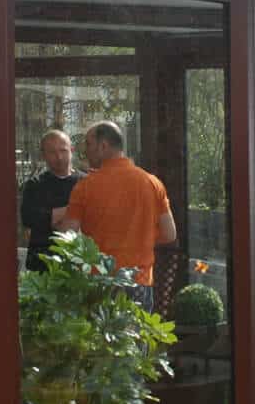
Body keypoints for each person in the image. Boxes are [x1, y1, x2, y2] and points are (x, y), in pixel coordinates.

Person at [53, 120, 177, 305]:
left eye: (88, 144)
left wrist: (52, 221)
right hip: (140, 282)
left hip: (100, 282)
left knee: (101, 334)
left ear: (103, 146)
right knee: (138, 333)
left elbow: (67, 236)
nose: (85, 151)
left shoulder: (86, 187)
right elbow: (169, 234)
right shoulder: (152, 183)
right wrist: (138, 238)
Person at [19, 129, 83, 272]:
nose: (59, 157)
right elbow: (29, 218)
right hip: (43, 264)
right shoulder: (35, 185)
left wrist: (54, 216)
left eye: (63, 150)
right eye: (52, 152)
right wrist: (73, 210)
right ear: (43, 155)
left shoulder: (86, 183)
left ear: (72, 150)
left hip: (79, 264)